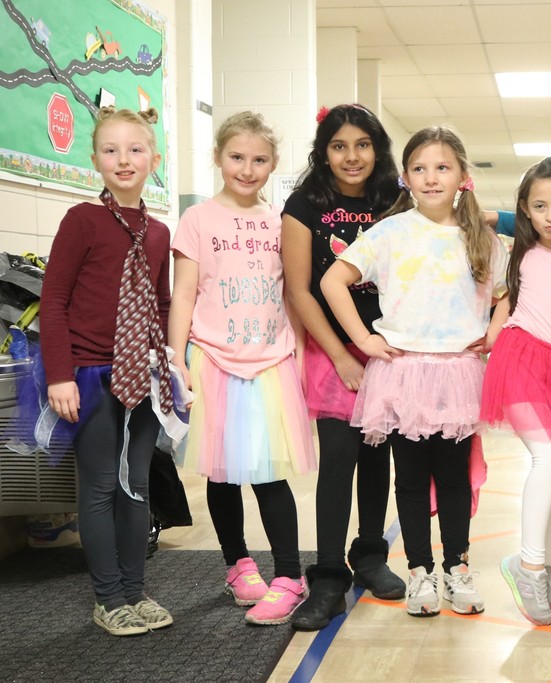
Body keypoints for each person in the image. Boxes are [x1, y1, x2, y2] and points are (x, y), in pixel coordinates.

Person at [321, 126, 509, 618]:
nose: (431, 178)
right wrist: (363, 340)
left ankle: (457, 568)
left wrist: (493, 333)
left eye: (442, 167)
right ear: (405, 177)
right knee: (408, 478)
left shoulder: (480, 238)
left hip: (458, 374)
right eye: (420, 169)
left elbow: (508, 292)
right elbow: (332, 280)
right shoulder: (389, 232)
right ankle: (421, 571)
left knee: (453, 479)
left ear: (463, 177)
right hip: (403, 374)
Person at [168, 111, 317, 625]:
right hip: (213, 360)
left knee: (270, 475)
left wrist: (297, 354)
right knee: (222, 472)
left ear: (274, 164)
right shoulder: (197, 220)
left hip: (270, 363)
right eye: (237, 157)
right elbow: (184, 292)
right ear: (218, 158)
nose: (247, 169)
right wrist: (175, 360)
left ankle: (291, 575)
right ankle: (237, 565)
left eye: (259, 160)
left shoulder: (281, 221)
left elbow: (293, 295)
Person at [38, 107, 177, 636]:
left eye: (135, 149)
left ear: (153, 159)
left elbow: (161, 304)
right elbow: (53, 300)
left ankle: (136, 591)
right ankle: (108, 597)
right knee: (98, 487)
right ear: (95, 159)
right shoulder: (81, 221)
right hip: (90, 375)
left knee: (135, 485)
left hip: (142, 376)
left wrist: (170, 365)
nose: (124, 160)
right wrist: (59, 374)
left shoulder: (160, 232)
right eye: (111, 150)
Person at [282, 104, 406, 631]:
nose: (351, 156)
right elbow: (299, 289)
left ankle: (370, 555)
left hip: (390, 348)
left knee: (378, 454)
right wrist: (337, 353)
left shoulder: (396, 201)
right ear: (323, 152)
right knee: (339, 454)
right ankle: (329, 573)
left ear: (376, 148)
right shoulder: (305, 204)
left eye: (361, 145)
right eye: (338, 146)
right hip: (333, 348)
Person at [480, 158, 551, 626]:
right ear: (525, 211)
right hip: (522, 357)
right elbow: (480, 216)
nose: (550, 216)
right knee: (547, 458)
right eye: (540, 206)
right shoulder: (519, 253)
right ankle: (525, 566)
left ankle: (546, 568)